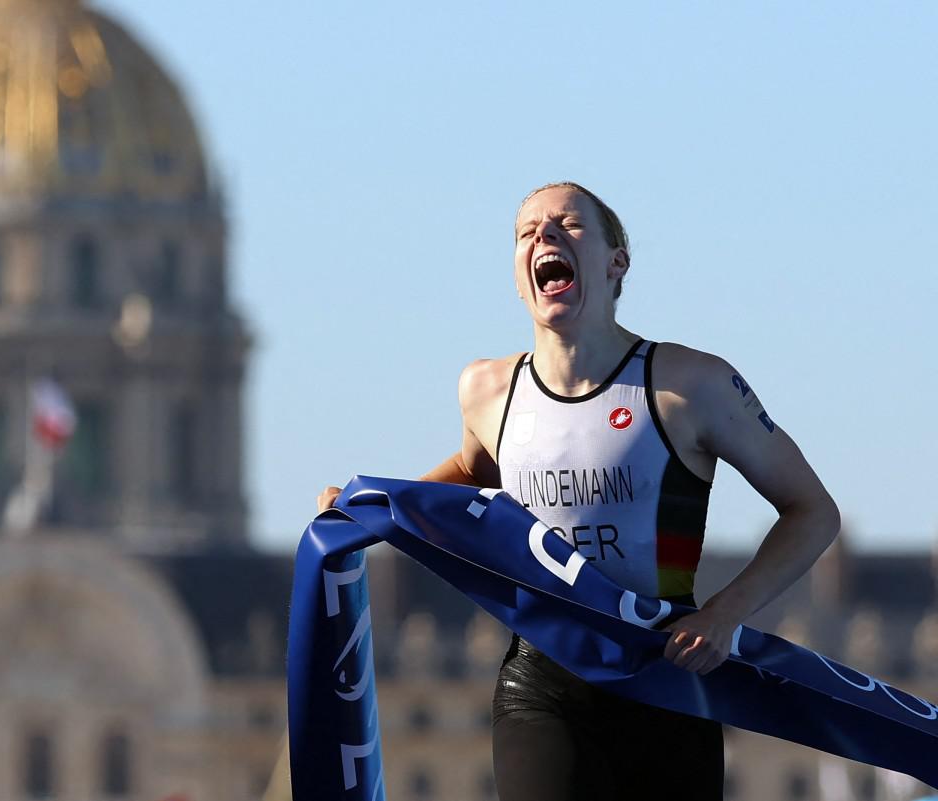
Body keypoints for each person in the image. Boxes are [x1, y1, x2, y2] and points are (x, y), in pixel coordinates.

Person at [316, 182, 840, 801]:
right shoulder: (487, 389)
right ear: (518, 277)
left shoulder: (691, 383)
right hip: (541, 681)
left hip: (667, 677)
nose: (544, 235)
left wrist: (724, 615)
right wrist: (369, 509)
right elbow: (474, 470)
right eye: (527, 231)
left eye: (569, 222)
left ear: (617, 262)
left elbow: (812, 513)